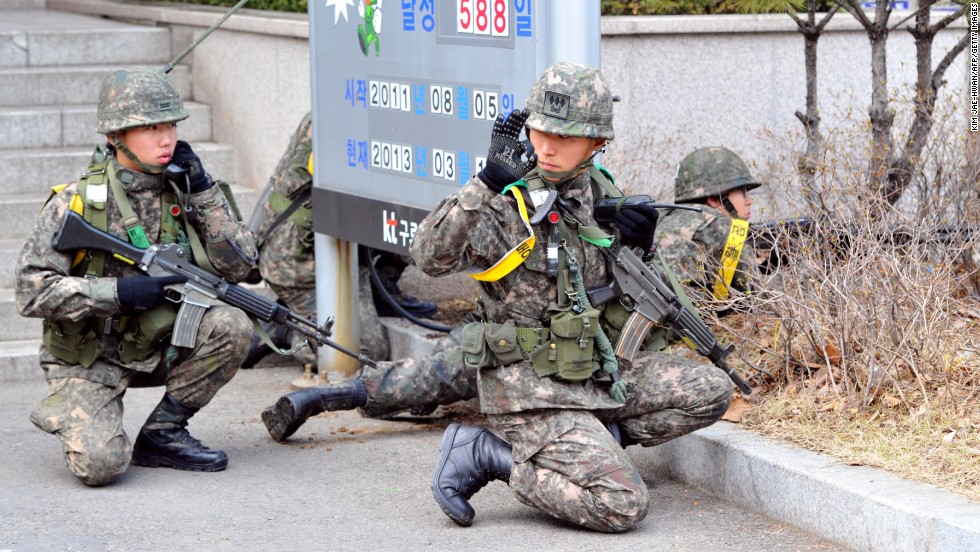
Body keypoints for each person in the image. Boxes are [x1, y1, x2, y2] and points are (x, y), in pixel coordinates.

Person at [411, 62, 734, 532]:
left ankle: (592, 442)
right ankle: (491, 455)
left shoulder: (598, 193)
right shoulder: (506, 197)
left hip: (592, 372)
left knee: (710, 391)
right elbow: (428, 256)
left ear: (596, 143)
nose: (546, 147)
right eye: (540, 131)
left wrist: (639, 245)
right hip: (530, 389)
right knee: (622, 502)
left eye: (565, 137)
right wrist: (485, 183)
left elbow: (619, 294)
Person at [15, 67, 257, 486]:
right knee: (101, 466)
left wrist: (203, 189)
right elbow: (30, 291)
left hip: (154, 342)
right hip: (87, 355)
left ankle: (164, 433)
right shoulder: (76, 202)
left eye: (170, 126)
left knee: (232, 326)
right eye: (148, 128)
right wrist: (118, 292)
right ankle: (77, 408)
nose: (166, 139)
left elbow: (240, 266)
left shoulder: (185, 191)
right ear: (115, 137)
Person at [246, 110, 436, 369]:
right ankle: (287, 328)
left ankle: (381, 289)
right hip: (299, 260)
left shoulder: (359, 105)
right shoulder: (340, 113)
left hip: (326, 238)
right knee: (366, 352)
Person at [655, 147, 762, 306]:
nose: (749, 201)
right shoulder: (721, 226)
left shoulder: (664, 217)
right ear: (716, 199)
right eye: (742, 192)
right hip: (685, 328)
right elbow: (760, 296)